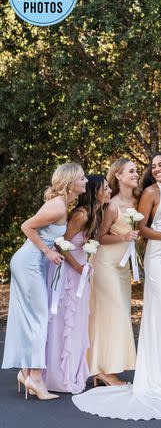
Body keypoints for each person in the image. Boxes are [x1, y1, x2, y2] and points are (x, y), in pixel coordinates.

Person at [72, 152, 161, 420]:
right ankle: (130, 371)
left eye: (160, 165)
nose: (155, 169)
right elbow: (140, 229)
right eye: (151, 166)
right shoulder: (146, 194)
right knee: (150, 313)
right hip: (153, 258)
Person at [2, 162, 87, 400]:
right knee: (39, 319)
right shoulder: (58, 206)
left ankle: (26, 372)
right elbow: (26, 226)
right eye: (82, 178)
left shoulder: (63, 204)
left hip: (32, 263)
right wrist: (48, 252)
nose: (86, 182)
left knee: (32, 318)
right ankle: (36, 379)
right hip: (29, 262)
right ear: (71, 182)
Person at [45, 175, 111, 394]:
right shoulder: (81, 214)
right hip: (67, 272)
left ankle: (71, 370)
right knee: (65, 322)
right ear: (95, 191)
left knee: (78, 322)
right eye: (106, 187)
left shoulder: (96, 214)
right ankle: (57, 376)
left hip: (80, 273)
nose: (109, 190)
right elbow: (61, 244)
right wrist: (77, 267)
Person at [88, 159, 139, 386]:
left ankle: (105, 366)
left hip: (123, 266)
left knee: (118, 315)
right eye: (131, 171)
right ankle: (103, 370)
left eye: (136, 170)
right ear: (117, 175)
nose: (136, 174)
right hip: (106, 264)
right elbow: (99, 237)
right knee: (111, 314)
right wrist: (124, 237)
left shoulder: (139, 201)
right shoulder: (112, 205)